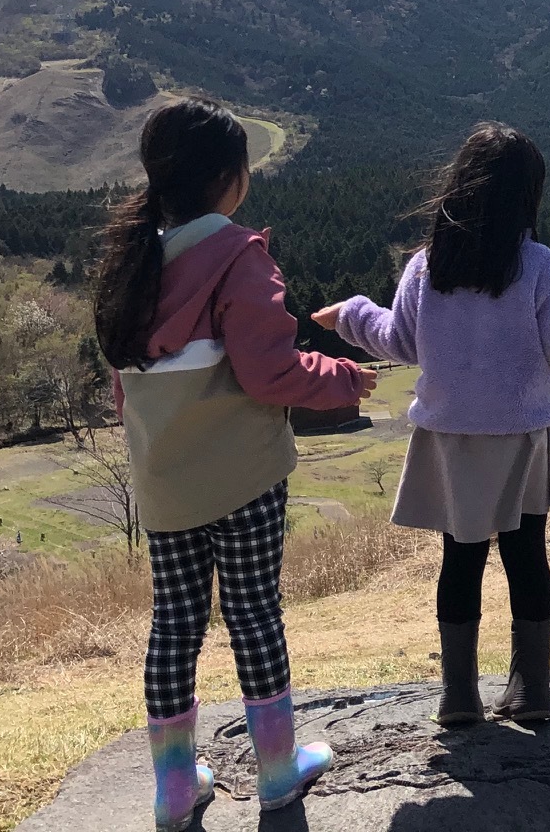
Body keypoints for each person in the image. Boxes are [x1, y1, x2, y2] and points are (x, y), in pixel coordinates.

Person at [95, 101, 374, 831]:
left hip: (163, 482)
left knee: (175, 625)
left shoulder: (134, 263)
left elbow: (125, 382)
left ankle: (174, 788)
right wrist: (344, 380)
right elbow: (270, 373)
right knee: (254, 615)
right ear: (231, 180)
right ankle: (279, 774)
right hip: (245, 477)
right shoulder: (237, 256)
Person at [318, 121, 550, 726]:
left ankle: (458, 695)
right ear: (528, 195)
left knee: (459, 560)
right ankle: (531, 691)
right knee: (527, 557)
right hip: (521, 435)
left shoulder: (427, 266)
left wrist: (351, 314)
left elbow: (398, 341)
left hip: (449, 437)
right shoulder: (541, 267)